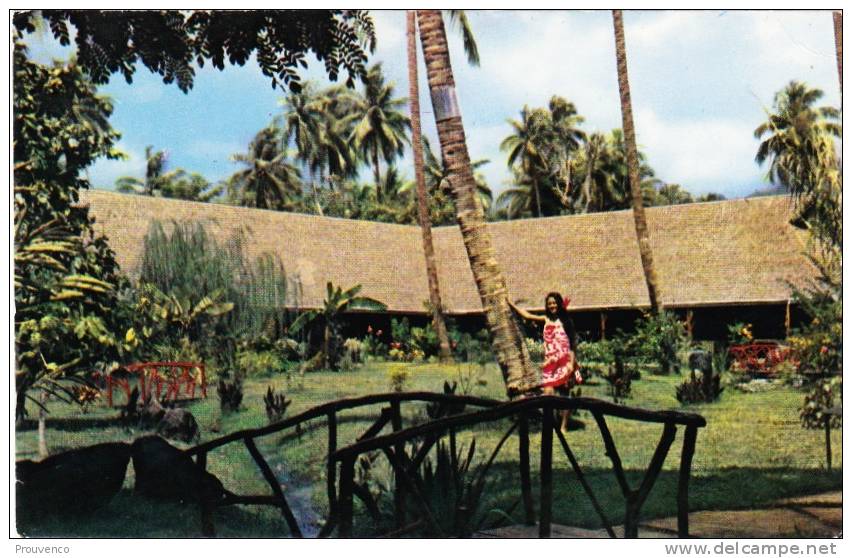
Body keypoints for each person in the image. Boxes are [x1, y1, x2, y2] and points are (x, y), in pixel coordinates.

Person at [509, 292, 582, 431]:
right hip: (550, 361)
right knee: (548, 393)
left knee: (565, 395)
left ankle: (563, 426)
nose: (552, 306)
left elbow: (572, 344)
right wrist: (511, 304)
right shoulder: (546, 319)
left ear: (559, 304)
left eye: (554, 303)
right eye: (549, 304)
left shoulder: (566, 321)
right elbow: (528, 316)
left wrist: (571, 364)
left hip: (565, 360)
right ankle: (552, 422)